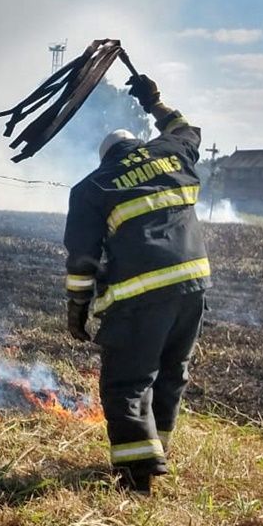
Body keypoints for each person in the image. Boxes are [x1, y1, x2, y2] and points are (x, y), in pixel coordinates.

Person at [63, 74, 211, 494]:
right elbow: (185, 128)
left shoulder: (93, 186)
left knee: (125, 383)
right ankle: (156, 453)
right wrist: (154, 100)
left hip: (140, 296)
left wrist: (77, 312)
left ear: (105, 156)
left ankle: (136, 479)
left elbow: (82, 261)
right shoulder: (170, 152)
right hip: (193, 288)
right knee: (170, 373)